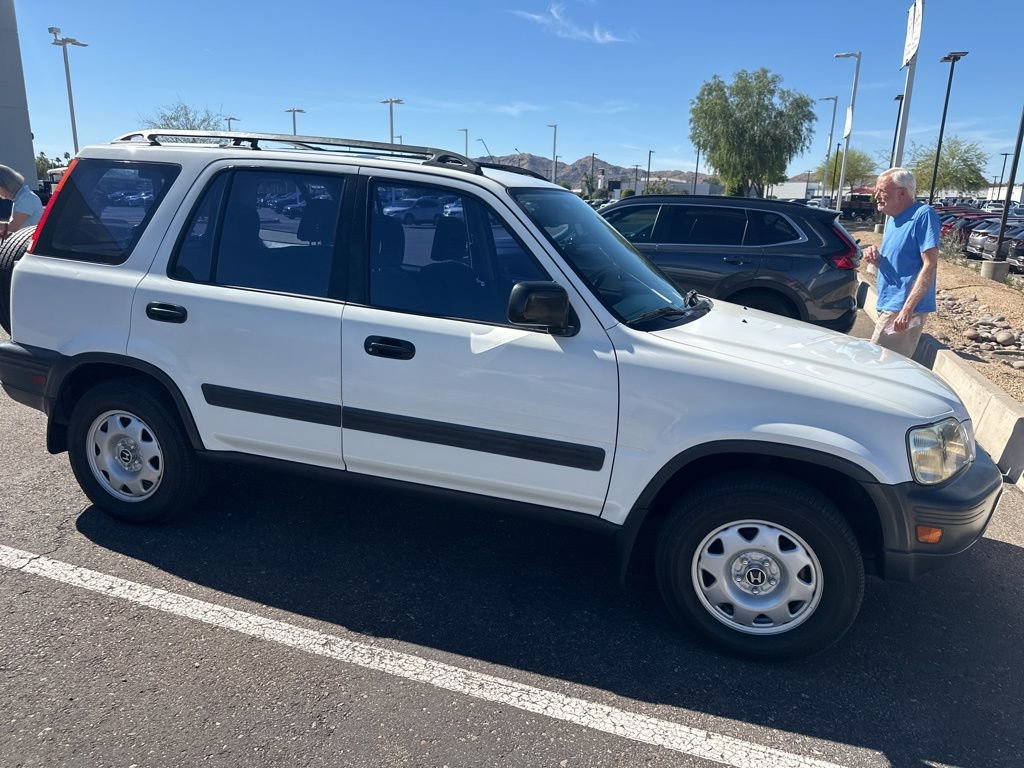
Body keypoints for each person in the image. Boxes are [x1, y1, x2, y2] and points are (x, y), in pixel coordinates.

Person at [862, 167, 940, 358]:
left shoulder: (923, 215)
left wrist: (907, 309)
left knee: (881, 365)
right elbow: (901, 265)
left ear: (902, 193)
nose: (876, 196)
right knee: (881, 362)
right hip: (888, 303)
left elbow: (930, 264)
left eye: (882, 191)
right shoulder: (892, 219)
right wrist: (877, 260)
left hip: (902, 310)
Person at [0, 163, 45, 241]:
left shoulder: (26, 198)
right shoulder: (20, 197)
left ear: (5, 185)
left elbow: (14, 227)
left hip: (30, 242)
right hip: (25, 241)